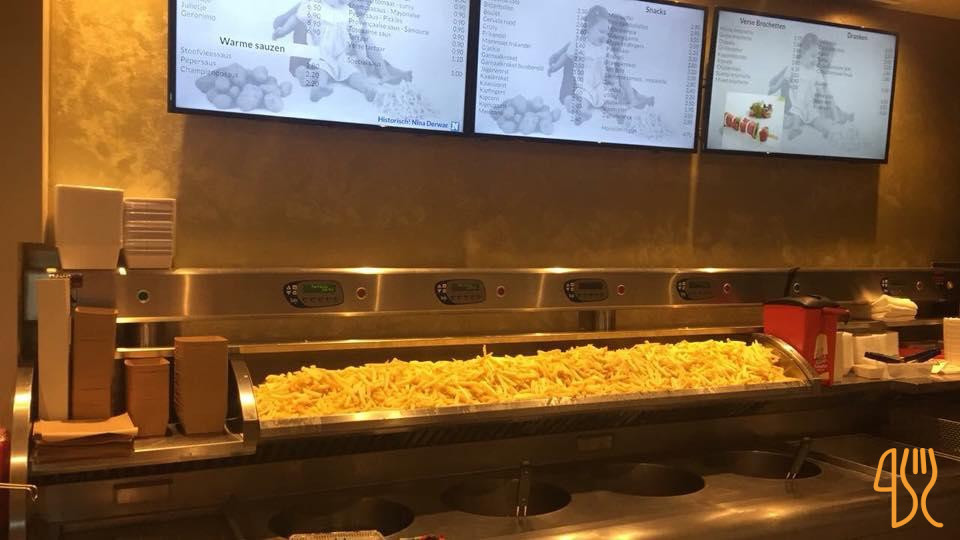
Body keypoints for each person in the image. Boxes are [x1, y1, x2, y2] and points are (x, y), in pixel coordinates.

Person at [547, 6, 653, 125]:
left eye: (622, 39)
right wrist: (558, 55)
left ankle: (633, 98)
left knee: (616, 86)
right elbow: (573, 45)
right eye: (618, 38)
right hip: (583, 78)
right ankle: (568, 98)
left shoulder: (609, 49)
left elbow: (621, 75)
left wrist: (627, 93)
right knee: (570, 63)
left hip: (600, 81)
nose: (620, 42)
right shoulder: (590, 39)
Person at [273, 0, 377, 102]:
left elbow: (357, 38)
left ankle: (366, 88)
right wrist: (283, 31)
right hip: (322, 53)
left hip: (342, 55)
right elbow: (296, 18)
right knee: (322, 71)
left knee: (352, 72)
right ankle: (318, 88)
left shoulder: (349, 12)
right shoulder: (314, 6)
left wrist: (363, 57)